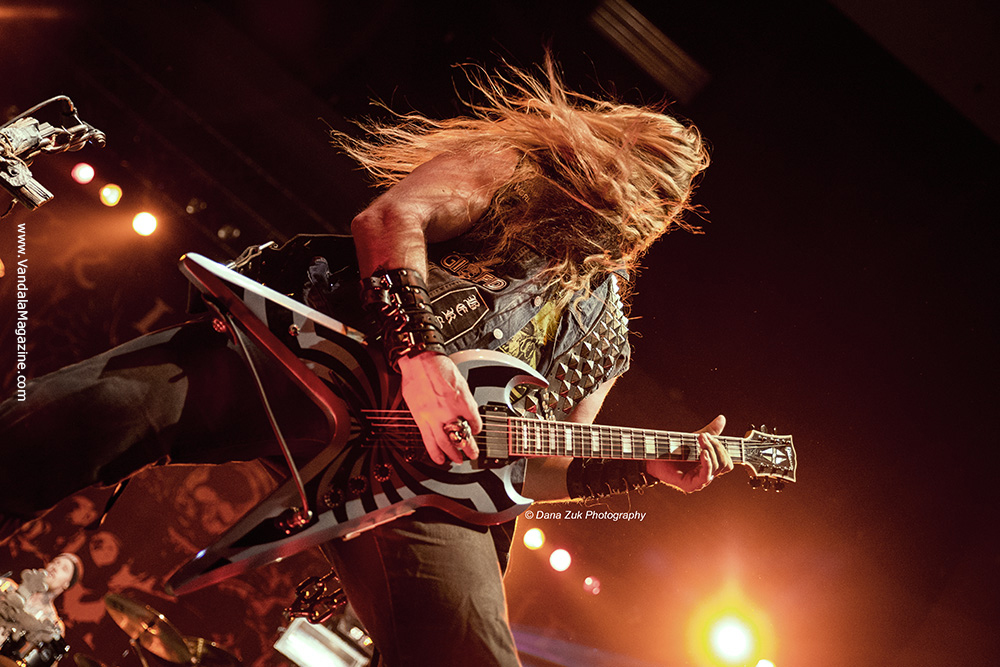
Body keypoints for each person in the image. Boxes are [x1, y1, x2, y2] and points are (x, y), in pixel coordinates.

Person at [1, 57, 734, 665]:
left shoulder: (606, 335)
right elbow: (389, 218)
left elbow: (537, 466)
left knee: (471, 653)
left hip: (417, 481)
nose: (650, 203)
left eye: (666, 202)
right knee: (76, 418)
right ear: (609, 151)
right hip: (308, 361)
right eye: (646, 176)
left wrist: (641, 467)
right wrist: (420, 358)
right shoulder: (517, 175)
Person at [0, 553, 81, 647]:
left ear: (67, 584)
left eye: (64, 568)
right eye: (55, 562)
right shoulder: (6, 586)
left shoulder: (53, 626)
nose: (55, 568)